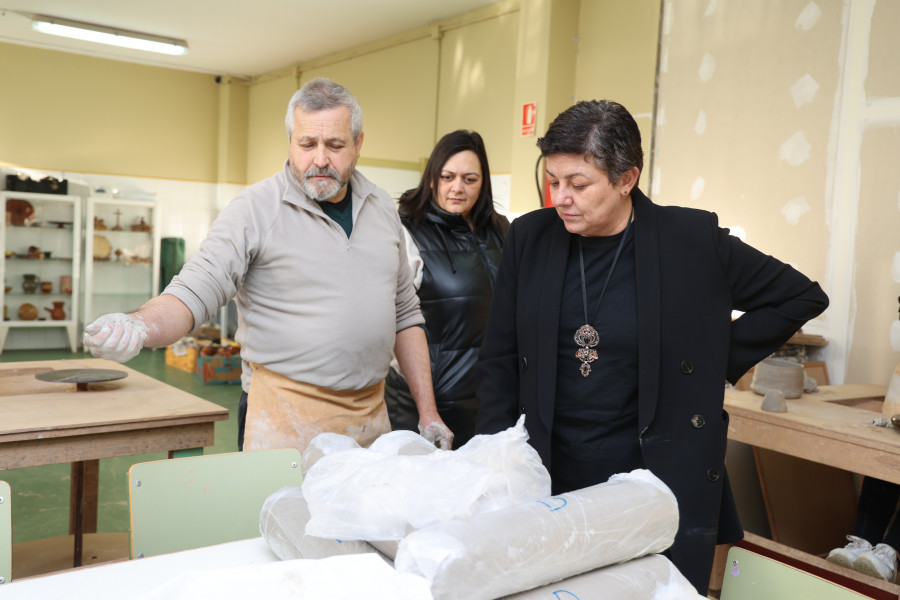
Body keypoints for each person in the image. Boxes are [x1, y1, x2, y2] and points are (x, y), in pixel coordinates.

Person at [474, 99, 829, 594]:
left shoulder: (689, 241)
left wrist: (714, 361)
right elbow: (500, 356)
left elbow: (801, 295)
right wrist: (492, 461)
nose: (560, 198)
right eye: (553, 180)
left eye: (578, 184)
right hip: (548, 473)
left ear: (627, 179)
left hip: (648, 481)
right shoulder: (530, 238)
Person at [82, 77, 453, 453]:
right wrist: (141, 324)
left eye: (335, 145)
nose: (320, 159)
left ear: (358, 144)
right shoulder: (254, 210)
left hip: (370, 419)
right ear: (291, 142)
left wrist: (428, 412)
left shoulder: (382, 209)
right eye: (307, 144)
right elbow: (196, 289)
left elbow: (405, 314)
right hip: (283, 420)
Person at [383, 130, 508, 449]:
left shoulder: (500, 231)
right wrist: (428, 410)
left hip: (485, 404)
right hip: (422, 408)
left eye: (469, 179)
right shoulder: (406, 231)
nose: (457, 188)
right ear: (432, 179)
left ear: (483, 184)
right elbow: (396, 322)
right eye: (448, 176)